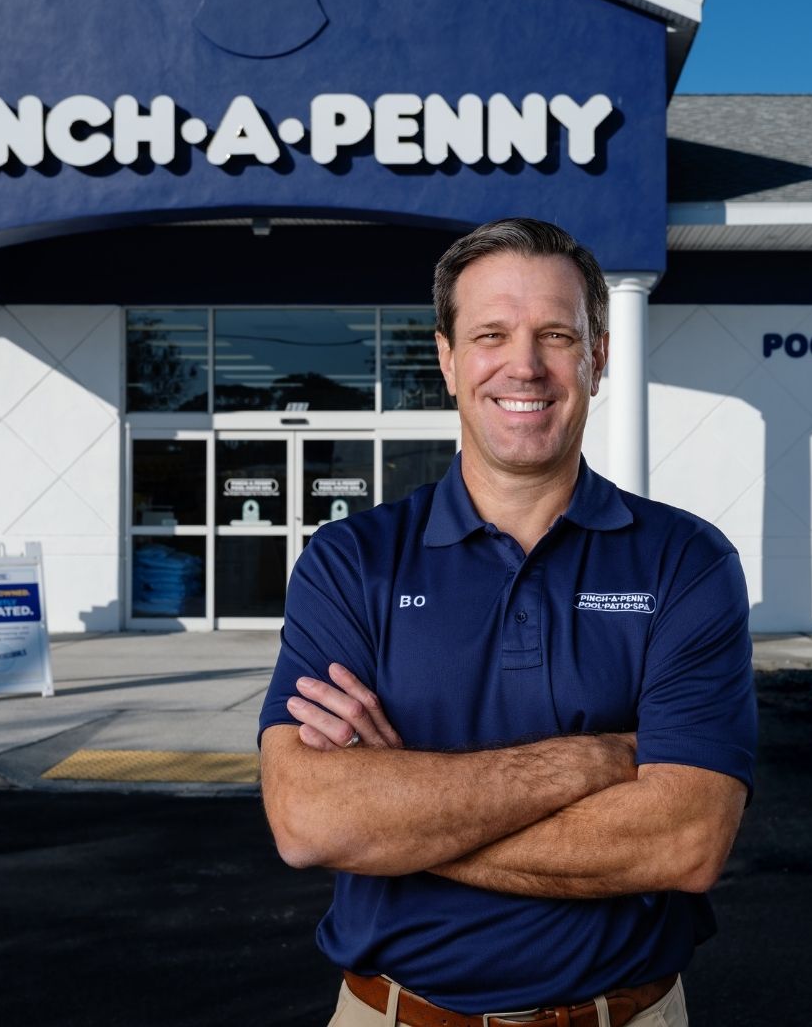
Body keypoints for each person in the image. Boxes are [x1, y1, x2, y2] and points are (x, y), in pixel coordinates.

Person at [259, 218, 756, 1027]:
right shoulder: (353, 562)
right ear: (449, 361)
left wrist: (405, 815)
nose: (523, 365)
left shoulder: (685, 562)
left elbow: (683, 842)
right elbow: (308, 818)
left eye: (556, 335)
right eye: (491, 333)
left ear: (597, 358)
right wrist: (591, 764)